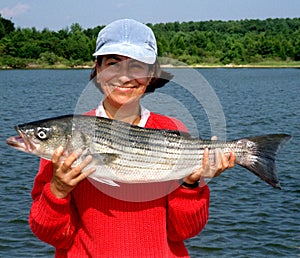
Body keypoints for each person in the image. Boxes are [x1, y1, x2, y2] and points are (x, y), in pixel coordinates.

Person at [29, 19, 235, 257]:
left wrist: (191, 185)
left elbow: (184, 232)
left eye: (136, 66)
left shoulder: (172, 128)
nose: (124, 77)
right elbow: (52, 235)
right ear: (97, 69)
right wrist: (58, 190)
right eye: (113, 64)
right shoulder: (66, 134)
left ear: (151, 75)